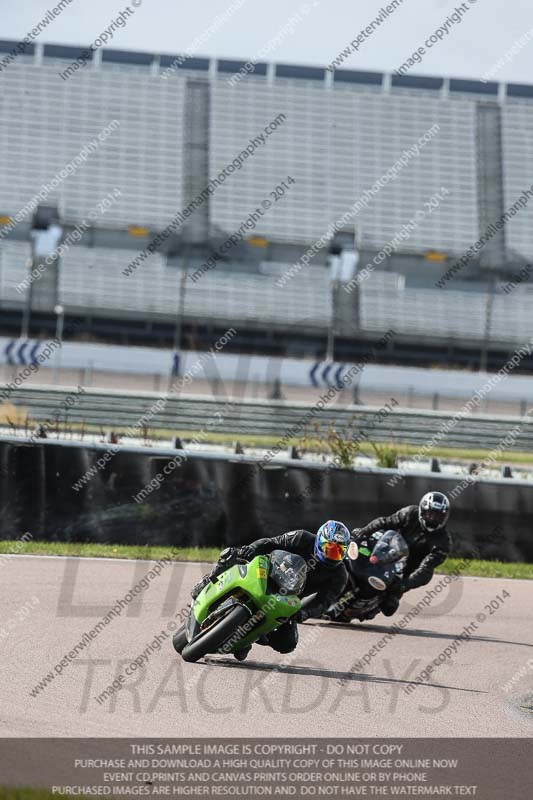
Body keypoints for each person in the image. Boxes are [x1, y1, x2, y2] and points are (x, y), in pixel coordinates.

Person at [191, 520, 351, 660]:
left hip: (288, 596)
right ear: (319, 541)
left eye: (338, 552)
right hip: (268, 571)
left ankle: (249, 639)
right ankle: (207, 581)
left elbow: (325, 601)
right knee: (231, 555)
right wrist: (252, 549)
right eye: (329, 548)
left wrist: (305, 612)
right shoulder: (302, 537)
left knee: (288, 643)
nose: (332, 555)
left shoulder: (340, 575)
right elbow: (272, 542)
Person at [351, 492, 451, 592]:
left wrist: (405, 584)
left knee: (390, 605)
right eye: (431, 514)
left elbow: (426, 569)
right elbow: (385, 522)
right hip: (386, 549)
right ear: (422, 511)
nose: (433, 519)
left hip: (404, 569)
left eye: (438, 516)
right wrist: (364, 530)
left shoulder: (443, 541)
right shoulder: (410, 513)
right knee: (361, 546)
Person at [326, 529, 409, 622]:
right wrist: (359, 533)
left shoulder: (399, 561)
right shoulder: (380, 534)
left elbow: (399, 578)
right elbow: (363, 537)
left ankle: (359, 610)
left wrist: (396, 589)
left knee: (390, 597)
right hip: (361, 565)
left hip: (373, 581)